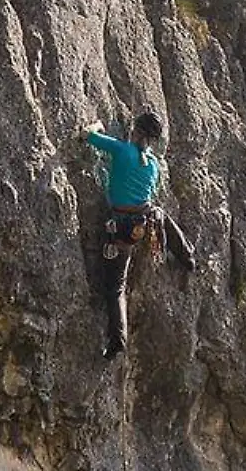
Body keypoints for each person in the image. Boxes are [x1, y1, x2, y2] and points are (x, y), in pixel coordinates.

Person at [82, 110, 194, 359]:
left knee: (115, 287)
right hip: (144, 221)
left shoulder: (121, 150)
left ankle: (117, 339)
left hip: (121, 225)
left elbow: (87, 135)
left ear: (136, 130)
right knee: (160, 214)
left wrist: (98, 124)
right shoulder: (153, 164)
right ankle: (186, 255)